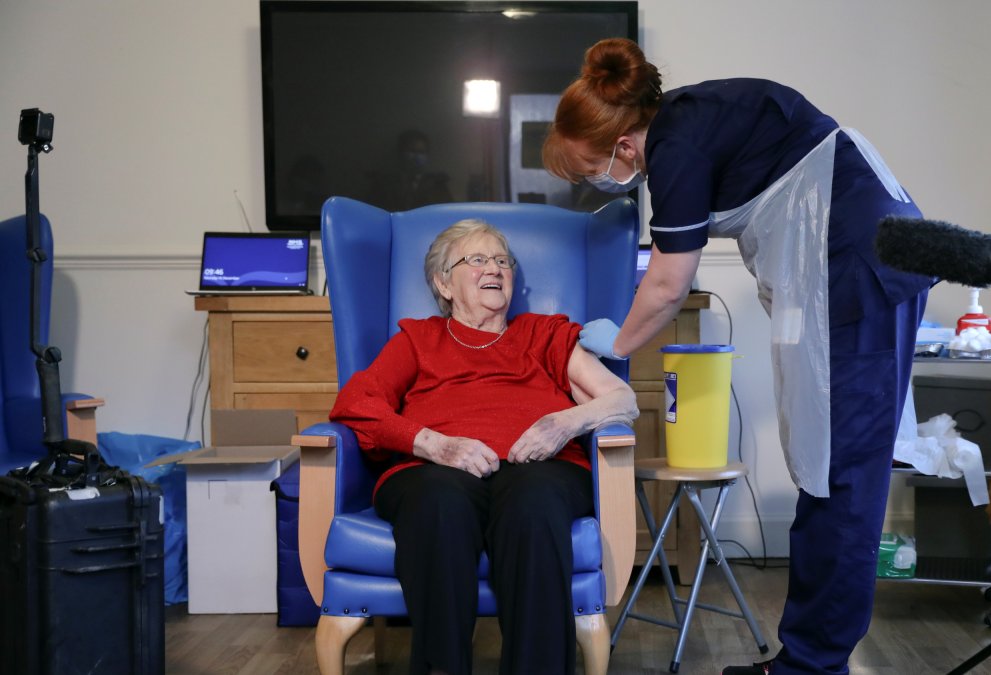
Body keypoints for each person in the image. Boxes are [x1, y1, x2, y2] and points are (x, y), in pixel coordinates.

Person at [542, 38, 933, 674]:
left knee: (842, 478)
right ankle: (804, 659)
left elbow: (668, 284)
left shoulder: (677, 146)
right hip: (845, 273)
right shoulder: (688, 122)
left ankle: (813, 665)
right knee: (823, 470)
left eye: (588, 171)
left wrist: (616, 343)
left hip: (859, 272)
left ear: (620, 144)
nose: (591, 185)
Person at [329, 218, 638, 675]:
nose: (493, 268)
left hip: (541, 464)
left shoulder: (543, 334)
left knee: (533, 503)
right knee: (438, 503)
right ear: (443, 283)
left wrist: (562, 423)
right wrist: (435, 445)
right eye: (476, 259)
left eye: (501, 260)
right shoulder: (418, 339)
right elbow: (355, 402)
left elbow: (623, 398)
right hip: (434, 469)